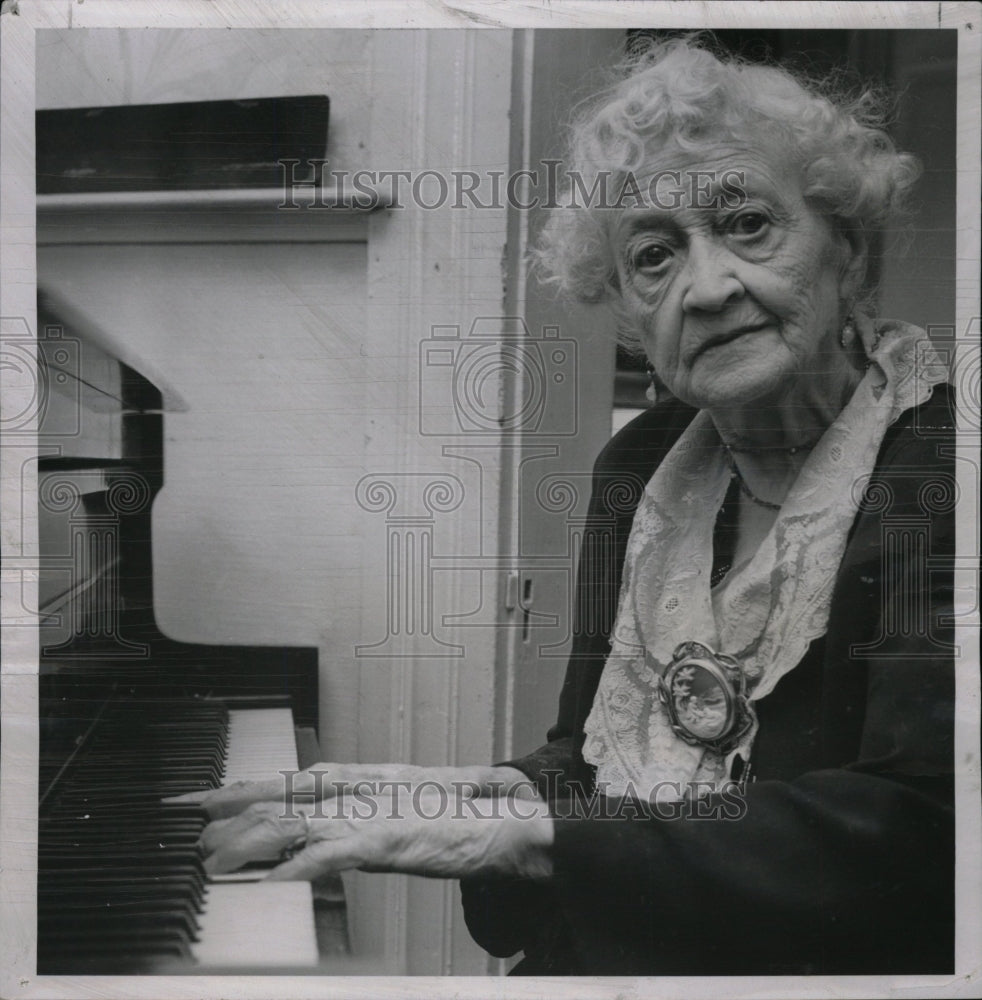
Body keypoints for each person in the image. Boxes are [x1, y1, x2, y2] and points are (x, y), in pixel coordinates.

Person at [179, 37, 956, 975]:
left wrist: (520, 839)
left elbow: (925, 836)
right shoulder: (638, 466)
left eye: (748, 223)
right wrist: (465, 796)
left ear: (847, 249)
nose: (706, 289)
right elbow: (591, 761)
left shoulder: (943, 469)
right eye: (655, 256)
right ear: (629, 311)